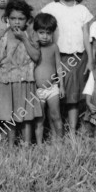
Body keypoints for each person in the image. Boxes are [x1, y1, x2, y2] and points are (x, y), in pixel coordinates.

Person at [41, 0, 93, 133]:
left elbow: (86, 35)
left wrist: (90, 59)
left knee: (74, 96)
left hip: (78, 58)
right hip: (56, 58)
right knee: (54, 94)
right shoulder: (51, 8)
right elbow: (41, 29)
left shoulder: (82, 10)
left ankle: (71, 130)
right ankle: (54, 129)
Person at [0, 0, 42, 146]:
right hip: (6, 80)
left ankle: (26, 143)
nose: (16, 22)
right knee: (9, 115)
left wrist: (24, 39)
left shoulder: (32, 35)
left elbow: (36, 57)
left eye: (21, 19)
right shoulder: (3, 35)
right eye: (13, 18)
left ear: (27, 20)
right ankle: (10, 145)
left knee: (26, 114)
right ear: (7, 18)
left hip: (26, 80)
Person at [32, 13, 65, 144]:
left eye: (48, 33)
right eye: (41, 32)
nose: (45, 36)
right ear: (35, 32)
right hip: (37, 90)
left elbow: (59, 67)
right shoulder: (33, 48)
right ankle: (39, 145)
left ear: (52, 33)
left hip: (52, 88)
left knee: (56, 115)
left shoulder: (53, 47)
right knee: (39, 118)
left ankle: (59, 142)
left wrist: (61, 85)